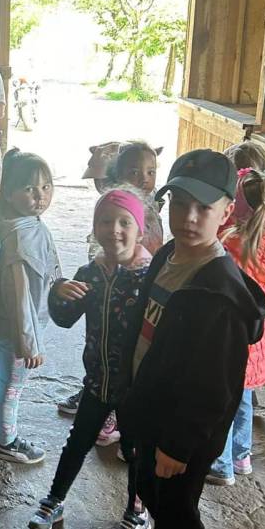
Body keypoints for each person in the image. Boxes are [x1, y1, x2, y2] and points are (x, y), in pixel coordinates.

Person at [120, 149, 265, 529]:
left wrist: (178, 445)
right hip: (156, 411)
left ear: (226, 211)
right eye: (179, 203)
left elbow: (213, 387)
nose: (188, 217)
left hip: (184, 430)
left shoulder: (218, 293)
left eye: (203, 208)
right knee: (153, 493)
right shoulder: (169, 256)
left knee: (177, 510)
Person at [28, 191, 151, 529]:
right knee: (78, 441)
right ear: (95, 228)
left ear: (140, 230)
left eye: (125, 222)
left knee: (136, 451)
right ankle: (54, 500)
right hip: (97, 381)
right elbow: (65, 319)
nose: (114, 230)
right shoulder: (91, 274)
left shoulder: (150, 277)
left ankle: (137, 512)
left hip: (136, 388)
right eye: (106, 221)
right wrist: (58, 292)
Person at [61, 139, 164, 428]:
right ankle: (97, 398)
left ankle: (118, 413)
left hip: (139, 290)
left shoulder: (151, 212)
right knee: (101, 346)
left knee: (133, 356)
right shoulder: (113, 207)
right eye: (134, 172)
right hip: (108, 293)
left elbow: (155, 250)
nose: (144, 178)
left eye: (151, 172)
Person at [207, 169, 265, 485]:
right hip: (256, 335)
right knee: (243, 399)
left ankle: (221, 464)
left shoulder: (230, 242)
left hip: (227, 335)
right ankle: (241, 456)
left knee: (223, 402)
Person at [0, 149, 60, 464]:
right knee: (13, 385)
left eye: (46, 187)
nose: (40, 196)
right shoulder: (19, 239)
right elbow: (20, 298)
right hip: (18, 328)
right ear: (8, 193)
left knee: (5, 376)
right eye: (29, 188)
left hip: (16, 326)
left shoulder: (25, 222)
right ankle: (6, 441)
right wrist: (29, 344)